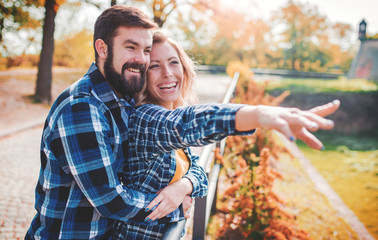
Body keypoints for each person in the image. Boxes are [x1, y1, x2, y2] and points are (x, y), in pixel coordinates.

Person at [25, 5, 340, 240]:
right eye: (131, 47)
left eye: (146, 50)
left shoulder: (118, 99)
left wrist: (184, 186)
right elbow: (114, 198)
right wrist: (254, 115)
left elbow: (194, 159)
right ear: (102, 48)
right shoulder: (88, 108)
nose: (142, 59)